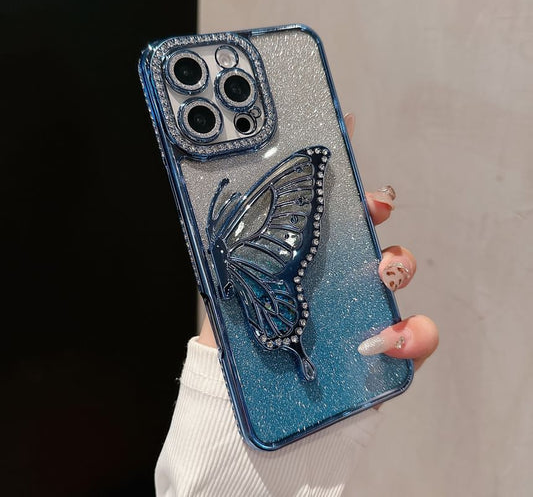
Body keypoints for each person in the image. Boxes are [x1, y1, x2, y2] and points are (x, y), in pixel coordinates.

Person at [154, 114, 439, 497]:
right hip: (266, 301)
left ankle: (300, 359)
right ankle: (299, 357)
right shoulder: (242, 237)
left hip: (268, 299)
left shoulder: (240, 237)